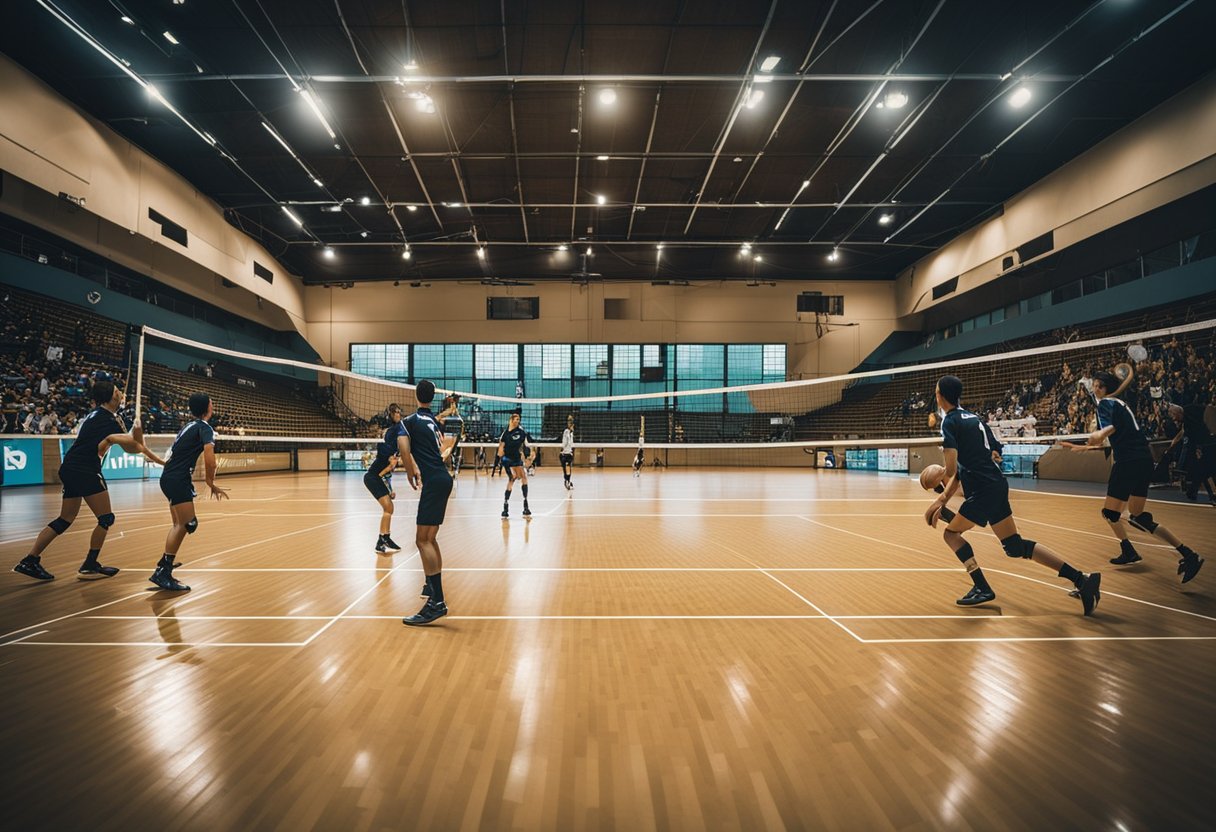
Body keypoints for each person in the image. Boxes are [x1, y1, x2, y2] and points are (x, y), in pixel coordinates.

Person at [925, 375, 1102, 613]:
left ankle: (982, 587)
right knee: (1014, 546)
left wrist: (939, 489)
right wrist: (942, 501)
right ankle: (1082, 580)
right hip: (996, 484)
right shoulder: (974, 418)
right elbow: (994, 452)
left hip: (983, 488)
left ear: (940, 395)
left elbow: (952, 469)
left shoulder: (949, 422)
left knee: (951, 535)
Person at [12, 375, 164, 582]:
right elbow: (133, 449)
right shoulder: (108, 419)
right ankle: (89, 565)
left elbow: (133, 445)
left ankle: (30, 560)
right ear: (110, 397)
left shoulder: (97, 415)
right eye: (117, 392)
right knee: (106, 518)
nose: (120, 394)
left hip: (71, 468)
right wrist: (139, 431)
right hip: (86, 469)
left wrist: (137, 434)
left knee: (65, 519)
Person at [1066, 373, 1204, 582]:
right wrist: (1085, 446)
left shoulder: (1105, 404)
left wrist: (1099, 435)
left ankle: (1128, 550)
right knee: (1137, 516)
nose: (1094, 390)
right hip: (1143, 460)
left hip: (1128, 462)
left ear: (1106, 389)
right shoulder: (1122, 404)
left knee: (1110, 513)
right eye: (1094, 386)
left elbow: (1111, 429)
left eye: (1097, 386)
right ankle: (1188, 554)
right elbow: (1119, 432)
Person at [149, 393, 230, 592]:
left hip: (169, 477)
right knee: (188, 523)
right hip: (177, 479)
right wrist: (210, 482)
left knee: (179, 524)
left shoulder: (188, 426)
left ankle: (165, 562)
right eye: (212, 402)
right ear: (207, 407)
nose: (213, 404)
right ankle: (163, 571)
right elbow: (210, 460)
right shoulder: (205, 428)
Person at [398, 380, 456, 626]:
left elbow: (403, 447)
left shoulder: (408, 421)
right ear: (432, 398)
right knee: (429, 539)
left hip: (433, 482)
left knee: (422, 540)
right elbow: (443, 449)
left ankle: (437, 602)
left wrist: (410, 471)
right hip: (444, 477)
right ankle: (433, 592)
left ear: (416, 395)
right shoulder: (434, 422)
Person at [365, 404, 406, 555]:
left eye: (399, 412)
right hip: (372, 478)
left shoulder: (392, 449)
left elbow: (387, 475)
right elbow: (383, 473)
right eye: (396, 412)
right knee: (388, 508)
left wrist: (390, 489)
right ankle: (383, 538)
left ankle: (383, 538)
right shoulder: (387, 447)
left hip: (377, 477)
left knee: (389, 508)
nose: (399, 414)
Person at [1167, 402, 1216, 505]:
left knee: (1206, 470)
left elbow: (1209, 409)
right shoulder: (1186, 422)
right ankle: (1194, 493)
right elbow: (1185, 432)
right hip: (1202, 446)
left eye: (1174, 416)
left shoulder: (1192, 408)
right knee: (1203, 470)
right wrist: (1174, 442)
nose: (1174, 420)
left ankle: (1199, 493)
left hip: (1210, 443)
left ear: (1178, 413)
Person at [497, 412, 533, 518]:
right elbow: (500, 448)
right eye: (516, 419)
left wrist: (529, 455)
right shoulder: (505, 434)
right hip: (508, 459)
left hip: (517, 458)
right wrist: (500, 458)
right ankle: (507, 506)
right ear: (511, 420)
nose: (518, 421)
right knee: (513, 478)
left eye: (519, 419)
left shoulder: (521, 432)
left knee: (521, 478)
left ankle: (523, 505)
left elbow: (525, 445)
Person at [560, 416, 575, 490]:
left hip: (569, 453)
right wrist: (563, 449)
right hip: (565, 454)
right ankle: (567, 481)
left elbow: (571, 444)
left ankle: (568, 481)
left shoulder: (571, 433)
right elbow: (565, 443)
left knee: (568, 469)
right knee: (566, 469)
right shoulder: (566, 432)